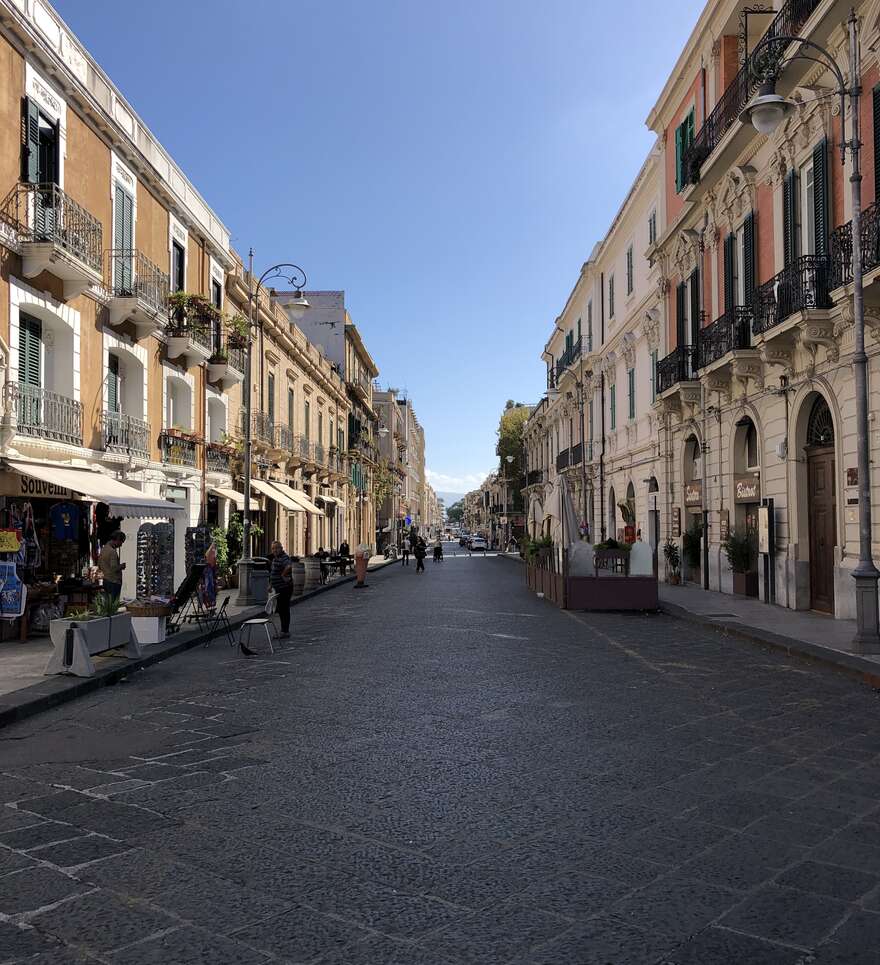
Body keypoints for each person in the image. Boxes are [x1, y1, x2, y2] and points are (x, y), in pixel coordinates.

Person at [269, 540, 294, 639]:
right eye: (273, 548)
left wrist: (283, 574)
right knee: (281, 609)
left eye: (276, 548)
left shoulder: (284, 557)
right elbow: (274, 573)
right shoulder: (276, 558)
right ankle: (284, 630)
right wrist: (270, 585)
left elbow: (289, 566)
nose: (274, 550)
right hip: (279, 588)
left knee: (284, 609)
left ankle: (285, 631)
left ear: (281, 548)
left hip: (285, 588)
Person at [97, 531, 126, 601]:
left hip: (106, 580)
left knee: (108, 604)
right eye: (121, 542)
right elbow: (114, 568)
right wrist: (122, 566)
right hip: (114, 582)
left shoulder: (104, 549)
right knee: (113, 605)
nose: (121, 545)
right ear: (117, 540)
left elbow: (99, 565)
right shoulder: (112, 551)